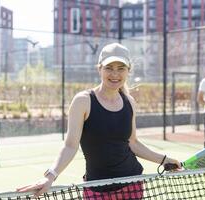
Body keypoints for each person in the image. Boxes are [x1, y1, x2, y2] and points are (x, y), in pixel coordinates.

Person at [17, 43, 181, 198]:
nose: (115, 74)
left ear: (128, 71)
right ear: (99, 69)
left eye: (121, 68)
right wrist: (50, 176)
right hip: (97, 188)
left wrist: (165, 160)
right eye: (109, 68)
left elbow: (133, 143)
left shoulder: (129, 102)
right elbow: (70, 145)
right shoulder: (83, 101)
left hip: (132, 183)